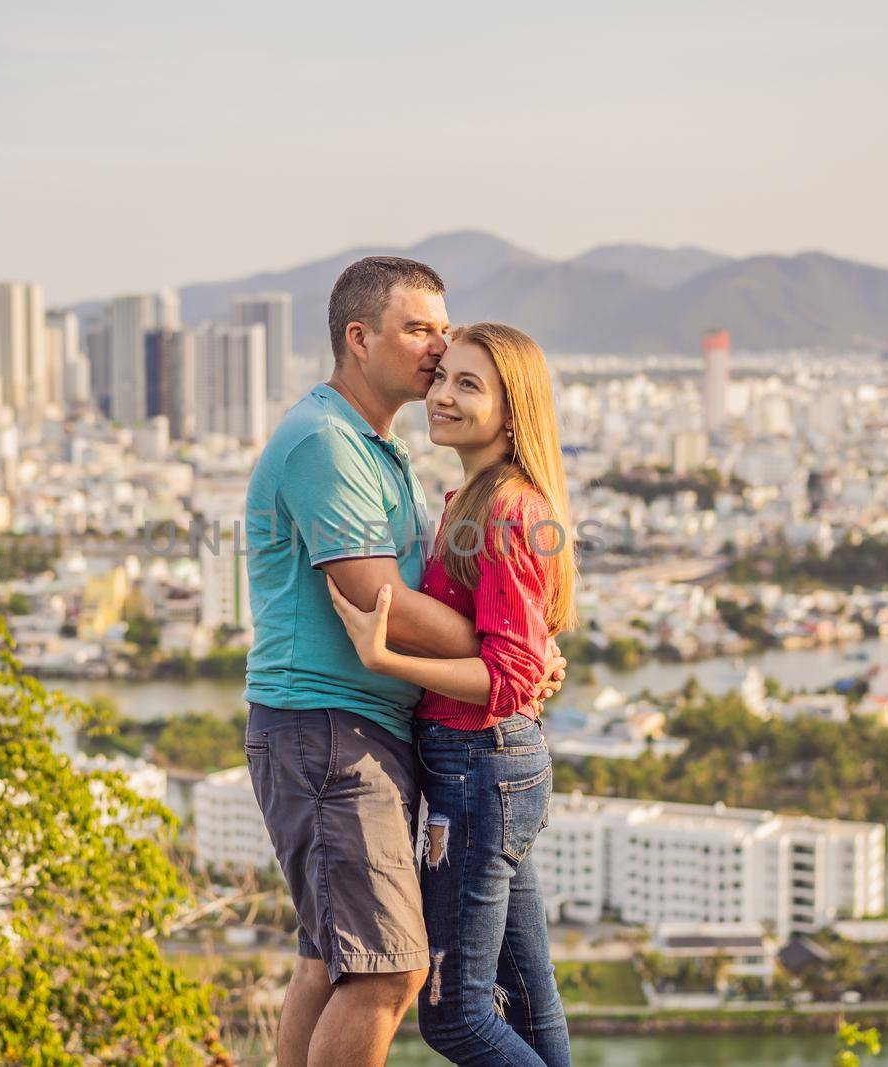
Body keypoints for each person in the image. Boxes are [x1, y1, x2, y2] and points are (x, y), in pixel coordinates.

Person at [243, 259, 567, 1067]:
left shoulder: (382, 450)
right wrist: (509, 656)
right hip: (329, 729)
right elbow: (373, 592)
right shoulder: (328, 442)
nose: (437, 348)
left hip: (372, 731)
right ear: (360, 338)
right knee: (392, 970)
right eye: (420, 330)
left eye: (444, 332)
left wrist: (515, 657)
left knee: (337, 958)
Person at [327, 322, 575, 1066]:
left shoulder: (505, 511)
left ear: (513, 408)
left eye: (469, 384)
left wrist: (387, 654)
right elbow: (522, 658)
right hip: (493, 764)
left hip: (480, 764)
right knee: (529, 1001)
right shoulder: (477, 499)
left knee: (457, 1014)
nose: (442, 395)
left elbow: (506, 677)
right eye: (443, 378)